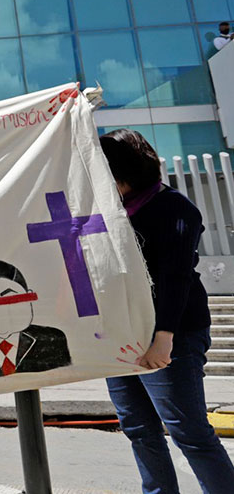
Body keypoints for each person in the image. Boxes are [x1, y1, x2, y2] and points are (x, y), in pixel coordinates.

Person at [100, 129, 234, 494]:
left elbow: (175, 279)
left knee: (188, 432)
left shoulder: (174, 208)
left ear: (127, 169)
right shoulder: (112, 213)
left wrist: (163, 339)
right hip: (122, 337)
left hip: (170, 334)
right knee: (139, 430)